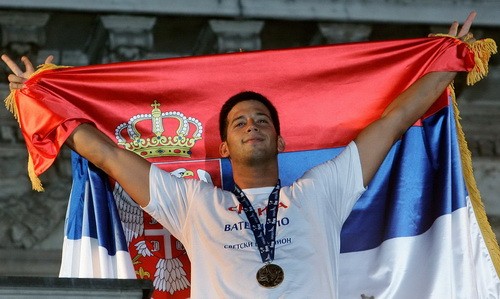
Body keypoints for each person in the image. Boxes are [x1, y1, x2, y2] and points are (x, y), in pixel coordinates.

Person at [2, 12, 476, 298]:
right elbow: (106, 154)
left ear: (281, 142)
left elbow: (391, 124)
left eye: (263, 121)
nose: (253, 127)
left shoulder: (322, 191)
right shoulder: (193, 202)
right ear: (224, 147)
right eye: (241, 123)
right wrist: (42, 99)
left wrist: (447, 63)